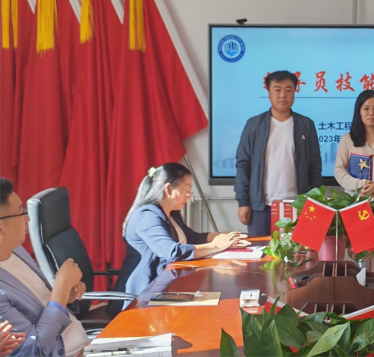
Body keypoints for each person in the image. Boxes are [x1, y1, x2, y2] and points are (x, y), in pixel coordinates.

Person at [109, 164, 241, 315]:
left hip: (167, 285)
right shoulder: (147, 216)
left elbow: (192, 238)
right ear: (168, 189)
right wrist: (216, 246)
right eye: (186, 190)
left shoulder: (171, 213)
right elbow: (172, 251)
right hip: (145, 293)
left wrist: (225, 237)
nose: (189, 196)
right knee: (214, 306)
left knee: (217, 299)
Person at [0, 177, 88, 357]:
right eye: (21, 212)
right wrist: (60, 290)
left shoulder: (15, 249)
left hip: (85, 345)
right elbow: (34, 351)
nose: (28, 219)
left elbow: (39, 306)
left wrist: (66, 297)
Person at [236, 70, 323, 236]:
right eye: (277, 90)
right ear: (268, 92)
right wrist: (243, 201)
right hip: (261, 206)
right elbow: (243, 165)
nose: (283, 95)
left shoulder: (306, 125)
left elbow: (314, 167)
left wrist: (316, 202)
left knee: (297, 251)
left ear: (295, 92)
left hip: (297, 204)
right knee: (260, 251)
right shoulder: (254, 125)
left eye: (288, 90)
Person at [334, 91, 374, 230]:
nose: (371, 113)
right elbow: (339, 170)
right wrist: (360, 185)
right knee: (354, 242)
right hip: (354, 202)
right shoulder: (348, 139)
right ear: (359, 111)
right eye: (366, 108)